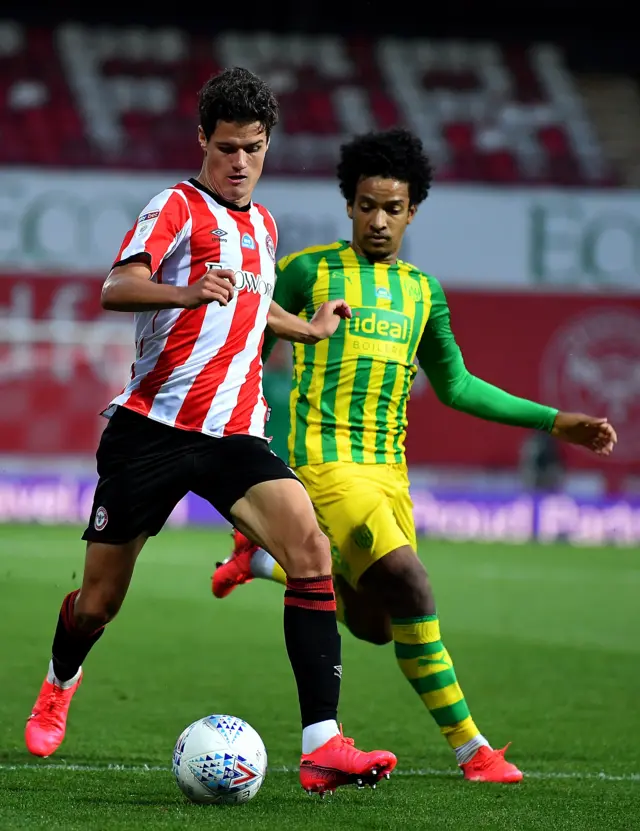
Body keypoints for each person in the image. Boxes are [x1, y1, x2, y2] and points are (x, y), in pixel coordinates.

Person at [24, 68, 397, 797]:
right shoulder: (175, 207)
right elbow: (116, 286)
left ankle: (323, 747)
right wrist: (185, 289)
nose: (239, 162)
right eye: (226, 147)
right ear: (202, 140)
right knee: (97, 603)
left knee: (310, 547)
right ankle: (59, 678)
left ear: (268, 145)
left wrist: (309, 328)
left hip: (233, 434)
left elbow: (251, 308)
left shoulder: (263, 225)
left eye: (252, 148)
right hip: (152, 430)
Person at [212, 127, 618, 783]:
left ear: (412, 211)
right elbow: (248, 342)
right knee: (413, 583)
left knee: (376, 622)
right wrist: (238, 436)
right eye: (367, 205)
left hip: (388, 477)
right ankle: (473, 749)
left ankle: (265, 560)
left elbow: (456, 384)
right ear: (349, 204)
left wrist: (555, 421)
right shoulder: (307, 270)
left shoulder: (423, 293)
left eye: (392, 208)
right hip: (326, 467)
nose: (378, 220)